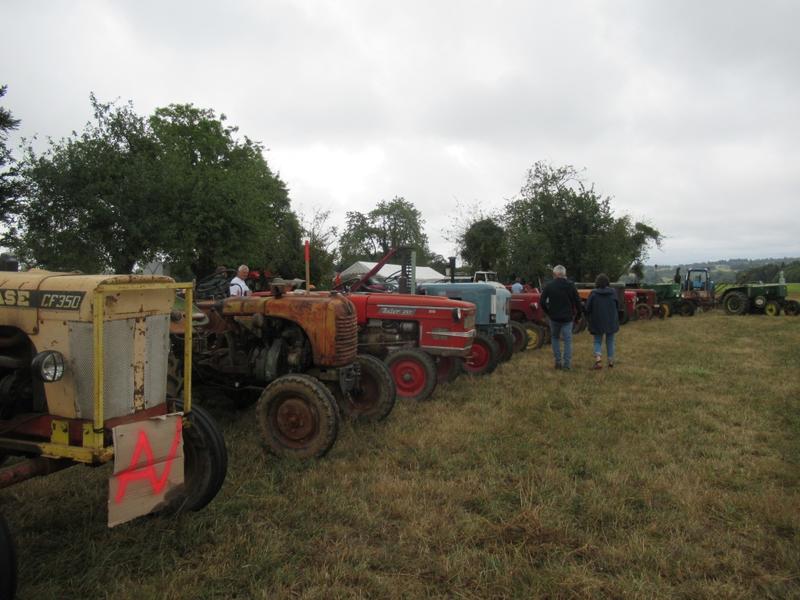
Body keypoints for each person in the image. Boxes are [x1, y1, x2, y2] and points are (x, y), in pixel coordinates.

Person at [540, 265, 582, 370]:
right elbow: (578, 302)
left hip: (554, 317)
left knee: (555, 338)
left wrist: (548, 312)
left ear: (554, 274)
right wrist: (578, 316)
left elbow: (542, 301)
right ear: (564, 274)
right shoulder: (571, 285)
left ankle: (558, 362)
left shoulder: (549, 286)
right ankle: (567, 365)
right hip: (567, 317)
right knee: (567, 341)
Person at [585, 273, 620, 369]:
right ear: (607, 282)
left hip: (597, 320)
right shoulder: (613, 292)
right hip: (611, 320)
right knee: (610, 341)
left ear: (597, 283)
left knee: (597, 341)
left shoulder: (593, 293)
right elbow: (618, 305)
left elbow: (587, 308)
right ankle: (611, 361)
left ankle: (598, 360)